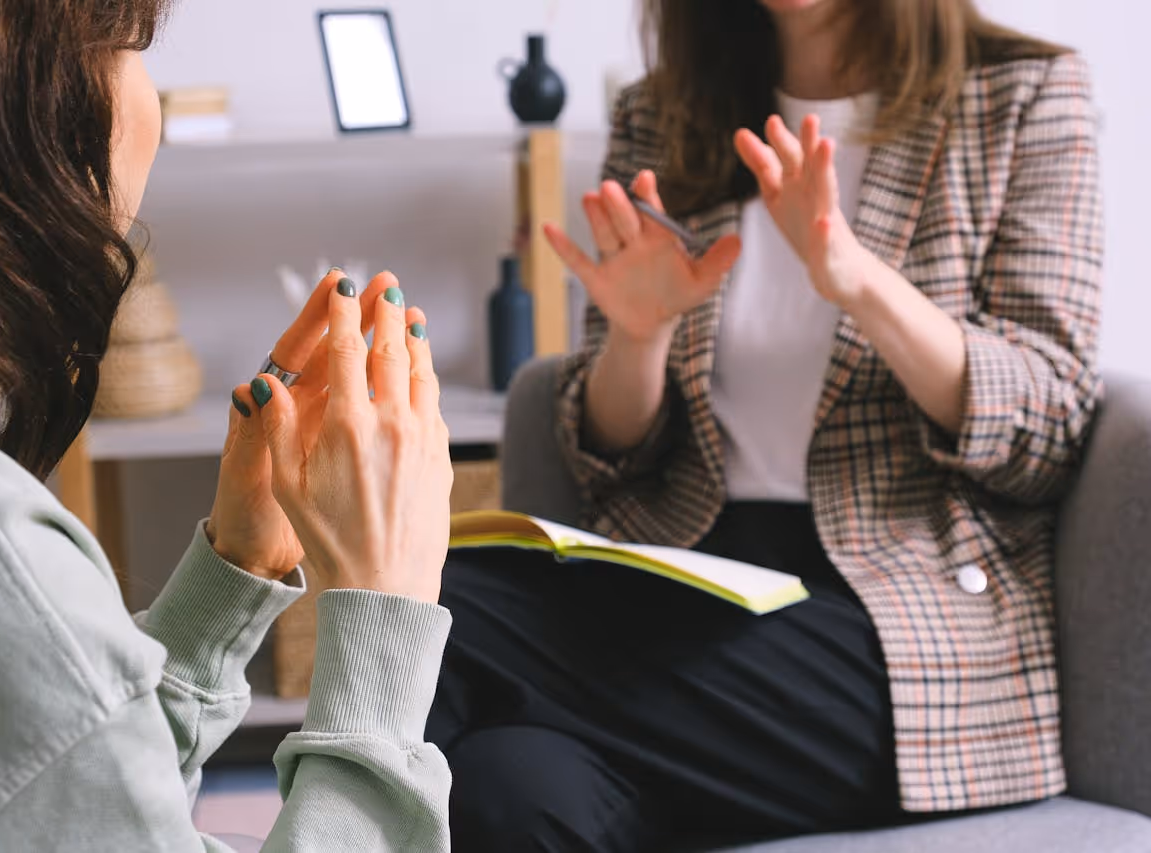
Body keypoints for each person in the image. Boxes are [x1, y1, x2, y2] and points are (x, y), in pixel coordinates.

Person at [426, 0, 1103, 849]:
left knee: (430, 595)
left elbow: (1051, 430)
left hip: (894, 635)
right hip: (679, 594)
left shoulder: (1023, 94)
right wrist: (640, 334)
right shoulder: (665, 114)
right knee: (505, 791)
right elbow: (612, 460)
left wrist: (858, 280)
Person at [0, 2, 454, 851]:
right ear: (6, 102)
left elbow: (59, 798)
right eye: (131, 49)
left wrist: (234, 573)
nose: (153, 106)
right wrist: (387, 613)